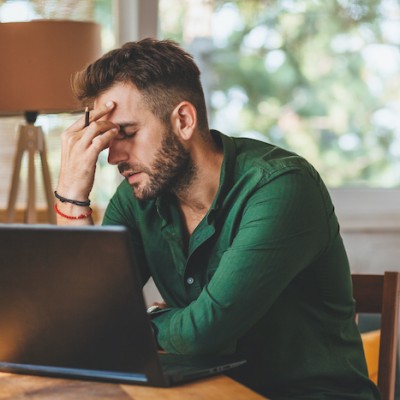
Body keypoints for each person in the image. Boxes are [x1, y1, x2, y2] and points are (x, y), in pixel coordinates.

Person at [55, 38, 380, 399]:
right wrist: (71, 193)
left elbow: (202, 334)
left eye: (127, 133)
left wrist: (136, 319)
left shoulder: (281, 187)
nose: (112, 157)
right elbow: (84, 318)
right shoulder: (138, 198)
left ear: (183, 120)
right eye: (106, 139)